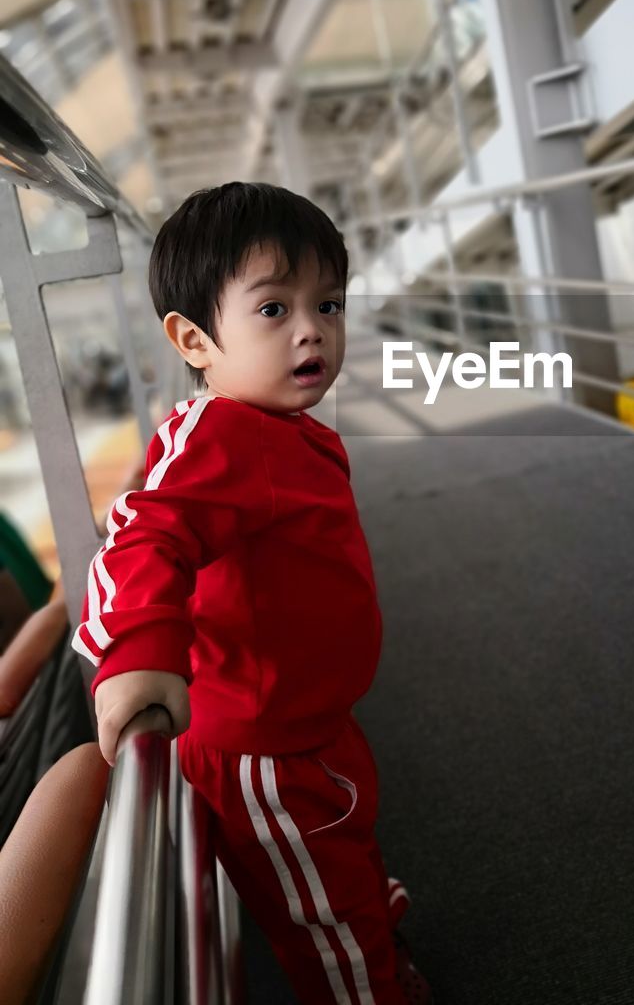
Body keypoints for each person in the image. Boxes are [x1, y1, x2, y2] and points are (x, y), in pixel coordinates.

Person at [72, 182, 429, 1005]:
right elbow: (142, 532)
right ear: (194, 337)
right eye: (274, 309)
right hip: (262, 754)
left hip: (312, 723)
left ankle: (364, 909)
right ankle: (368, 980)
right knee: (323, 921)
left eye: (328, 303)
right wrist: (137, 652)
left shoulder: (282, 426)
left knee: (346, 846)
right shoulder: (224, 431)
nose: (313, 328)